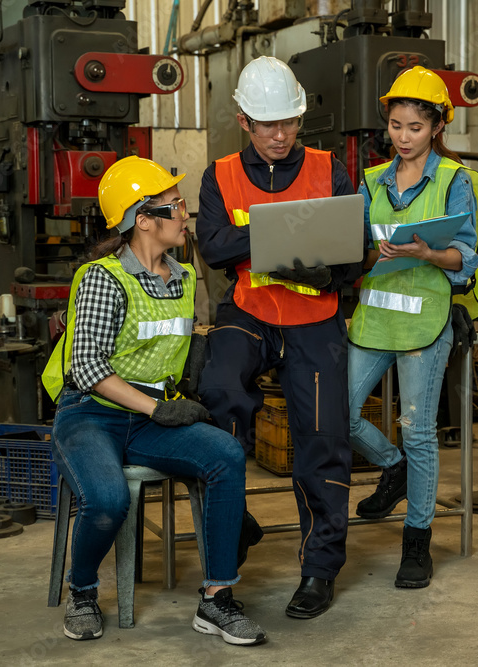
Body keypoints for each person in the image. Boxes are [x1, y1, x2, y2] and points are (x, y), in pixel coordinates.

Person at [41, 156, 266, 646]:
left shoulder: (184, 278)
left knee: (225, 455)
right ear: (143, 219)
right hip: (91, 414)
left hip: (148, 417)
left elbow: (171, 350)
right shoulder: (103, 278)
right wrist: (157, 409)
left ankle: (216, 598)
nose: (185, 213)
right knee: (107, 499)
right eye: (175, 205)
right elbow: (87, 367)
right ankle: (82, 591)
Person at [195, 55, 363, 619]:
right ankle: (233, 516)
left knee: (322, 439)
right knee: (218, 387)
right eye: (267, 124)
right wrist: (285, 231)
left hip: (315, 316)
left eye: (288, 122)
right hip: (250, 310)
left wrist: (328, 273)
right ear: (243, 120)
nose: (280, 134)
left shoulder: (329, 167)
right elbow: (214, 247)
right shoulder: (220, 174)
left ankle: (319, 569)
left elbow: (354, 247)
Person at [347, 66, 478, 589]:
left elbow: (466, 258)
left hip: (425, 321)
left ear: (437, 128)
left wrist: (428, 251)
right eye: (397, 126)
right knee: (339, 413)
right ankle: (392, 465)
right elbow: (353, 246)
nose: (403, 138)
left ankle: (416, 544)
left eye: (416, 128)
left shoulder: (454, 182)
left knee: (418, 430)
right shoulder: (371, 181)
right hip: (375, 317)